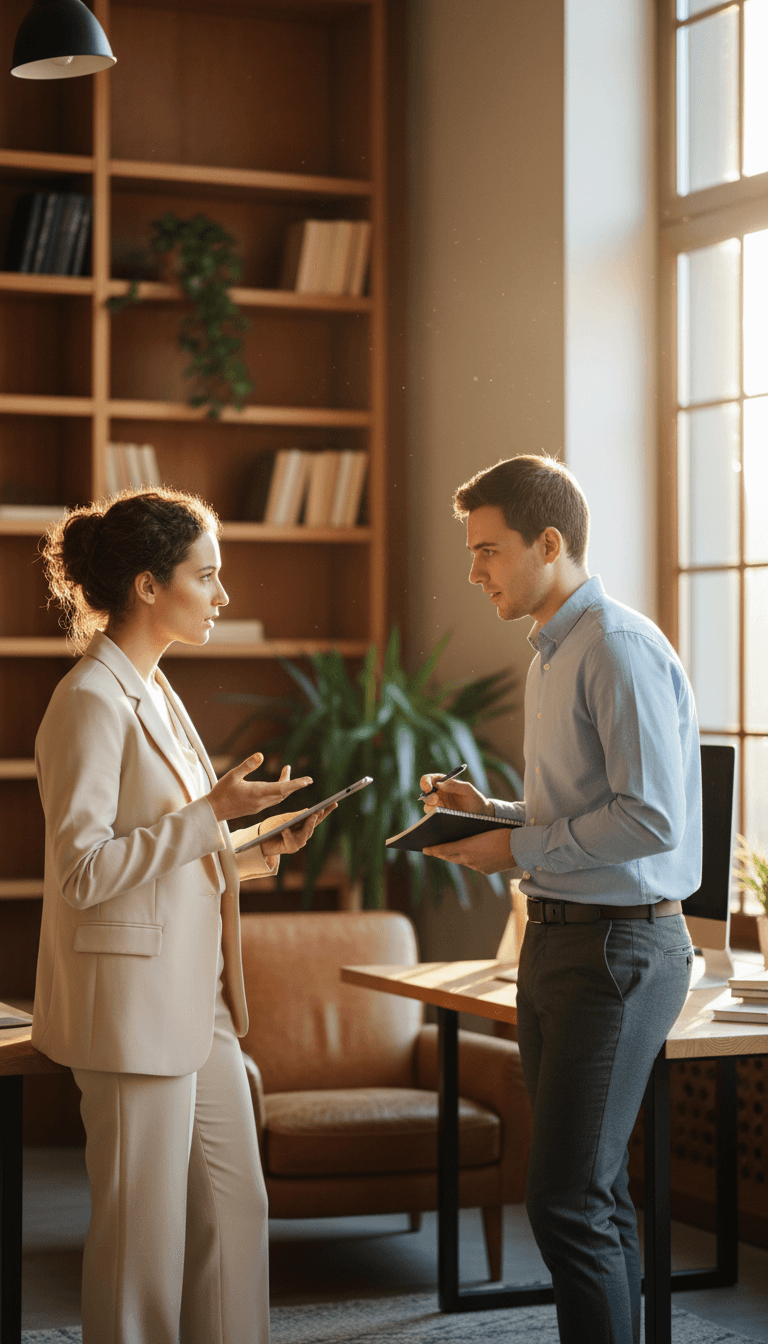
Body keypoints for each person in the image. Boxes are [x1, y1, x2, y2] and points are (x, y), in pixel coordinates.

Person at [32, 487, 335, 1344]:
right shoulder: (90, 702)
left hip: (197, 1007)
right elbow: (84, 872)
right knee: (140, 1250)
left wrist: (254, 846)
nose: (223, 595)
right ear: (147, 586)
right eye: (207, 576)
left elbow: (167, 854)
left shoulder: (158, 693)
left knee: (237, 1212)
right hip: (132, 1017)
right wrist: (211, 817)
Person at [419, 455, 701, 1344]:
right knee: (592, 1192)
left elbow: (652, 820)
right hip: (557, 945)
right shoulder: (553, 652)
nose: (474, 573)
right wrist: (493, 816)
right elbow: (579, 812)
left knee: (566, 1201)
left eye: (489, 551)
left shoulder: (615, 647)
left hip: (617, 951)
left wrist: (516, 846)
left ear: (551, 543)